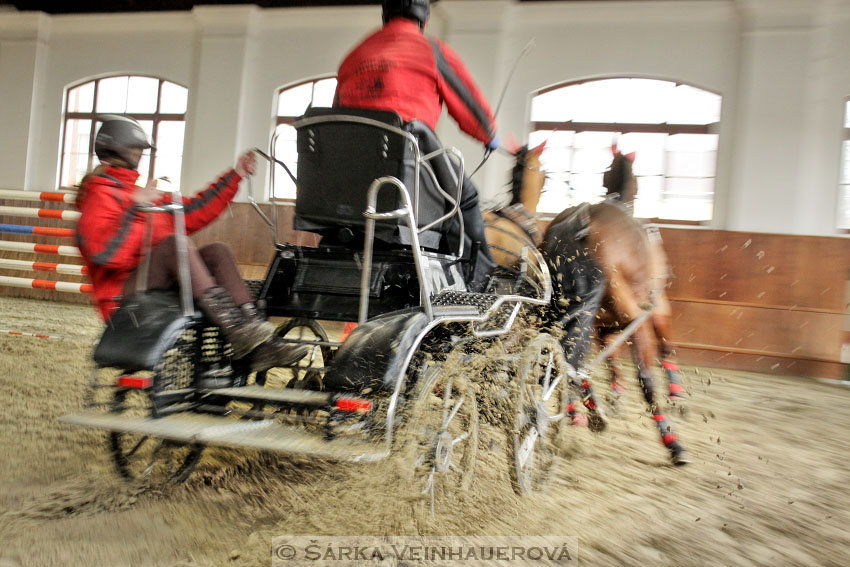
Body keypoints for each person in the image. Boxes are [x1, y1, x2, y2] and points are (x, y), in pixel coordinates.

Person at [75, 115, 306, 384]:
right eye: (136, 150)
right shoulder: (100, 195)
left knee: (217, 251)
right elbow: (104, 255)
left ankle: (256, 336)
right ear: (119, 151)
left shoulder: (136, 192)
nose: (139, 156)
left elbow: (194, 211)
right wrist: (133, 208)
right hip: (122, 295)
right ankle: (237, 329)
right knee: (175, 244)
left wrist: (236, 175)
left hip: (155, 284)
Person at [335, 0, 497, 291]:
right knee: (467, 198)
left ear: (386, 13)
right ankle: (478, 284)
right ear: (424, 17)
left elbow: (338, 116)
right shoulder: (430, 49)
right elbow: (470, 107)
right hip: (408, 165)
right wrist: (489, 136)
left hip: (351, 179)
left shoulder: (354, 55)